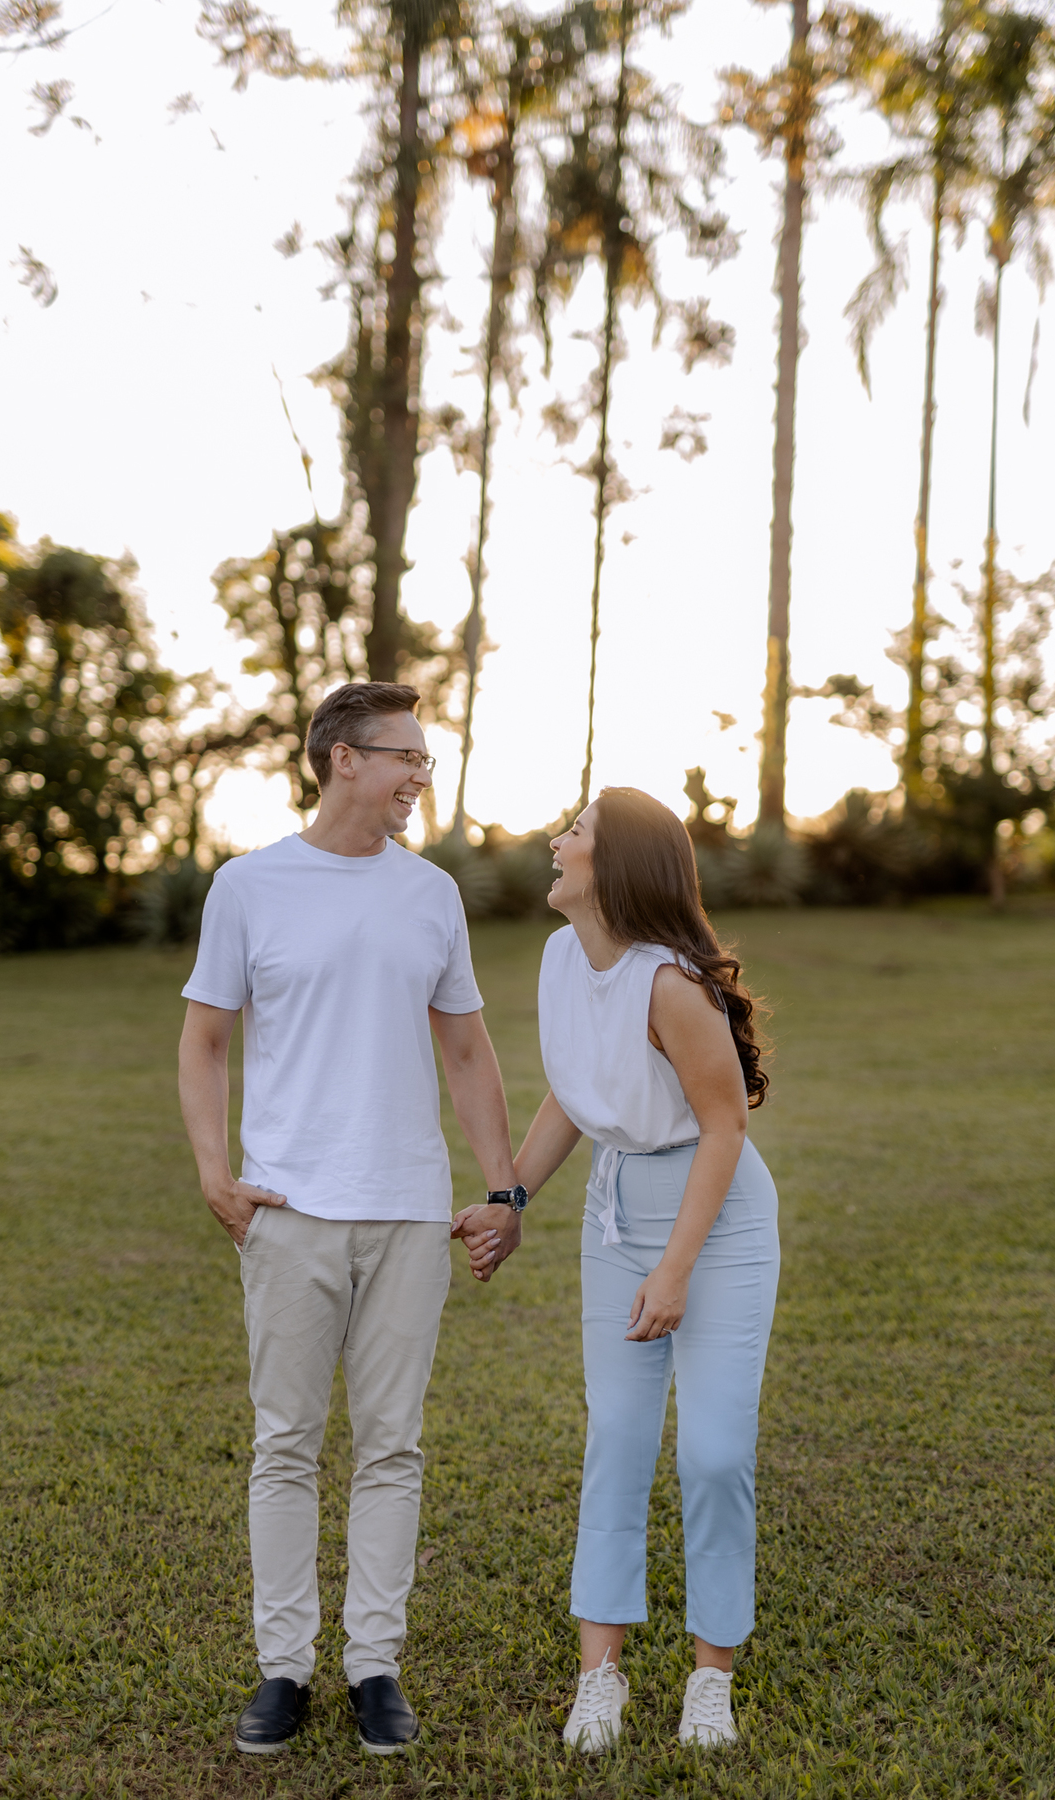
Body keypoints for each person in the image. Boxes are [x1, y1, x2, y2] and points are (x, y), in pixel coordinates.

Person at [178, 682, 525, 1758]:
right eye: (406, 757)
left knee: (393, 1450)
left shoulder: (431, 896)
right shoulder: (248, 887)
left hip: (409, 1214)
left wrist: (504, 1187)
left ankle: (376, 1666)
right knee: (284, 1446)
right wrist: (214, 1173)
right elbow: (205, 1042)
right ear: (342, 759)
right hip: (287, 1214)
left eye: (425, 759)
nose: (423, 774)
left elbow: (466, 1049)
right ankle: (283, 1669)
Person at [457, 787, 778, 1753]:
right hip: (616, 1216)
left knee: (715, 1452)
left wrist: (675, 1270)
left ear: (618, 867)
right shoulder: (563, 958)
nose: (556, 843)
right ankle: (600, 1674)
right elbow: (573, 1089)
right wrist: (511, 1199)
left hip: (715, 1223)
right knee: (619, 1445)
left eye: (577, 834)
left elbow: (725, 1126)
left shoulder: (671, 986)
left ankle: (709, 1677)